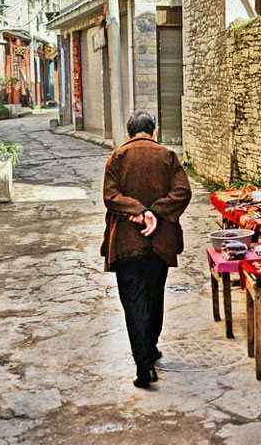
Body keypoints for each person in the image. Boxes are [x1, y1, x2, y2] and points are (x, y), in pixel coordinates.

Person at [100, 111, 192, 389]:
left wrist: (138, 213)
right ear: (154, 130)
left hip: (126, 244)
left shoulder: (117, 158)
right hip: (159, 245)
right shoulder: (168, 157)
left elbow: (110, 196)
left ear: (129, 133)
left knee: (133, 304)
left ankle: (144, 367)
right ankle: (149, 349)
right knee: (153, 298)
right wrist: (154, 213)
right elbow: (182, 192)